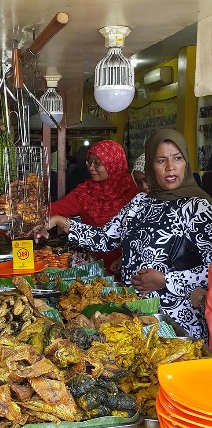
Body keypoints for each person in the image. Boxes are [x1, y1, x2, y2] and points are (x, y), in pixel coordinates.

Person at [35, 129, 212, 341]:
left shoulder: (198, 208)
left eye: (177, 158)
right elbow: (104, 238)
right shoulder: (140, 203)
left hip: (177, 322)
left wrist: (165, 280)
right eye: (161, 160)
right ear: (150, 166)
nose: (170, 167)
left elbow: (209, 270)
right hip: (135, 316)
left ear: (186, 162)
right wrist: (59, 221)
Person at [0, 140, 138, 273]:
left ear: (114, 164)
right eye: (89, 162)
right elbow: (54, 209)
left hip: (129, 264)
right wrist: (11, 216)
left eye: (97, 163)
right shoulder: (86, 192)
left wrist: (125, 257)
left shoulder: (135, 193)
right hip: (94, 264)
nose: (91, 167)